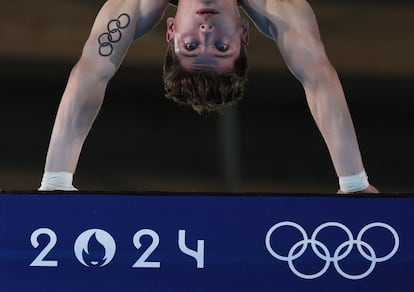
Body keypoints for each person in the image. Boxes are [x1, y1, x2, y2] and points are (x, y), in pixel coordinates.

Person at [39, 0, 378, 194]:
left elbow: (92, 72)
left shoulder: (136, 5)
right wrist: (353, 183)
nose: (205, 34)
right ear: (244, 34)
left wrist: (55, 180)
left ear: (170, 31)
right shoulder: (280, 8)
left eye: (190, 47)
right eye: (221, 47)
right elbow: (317, 75)